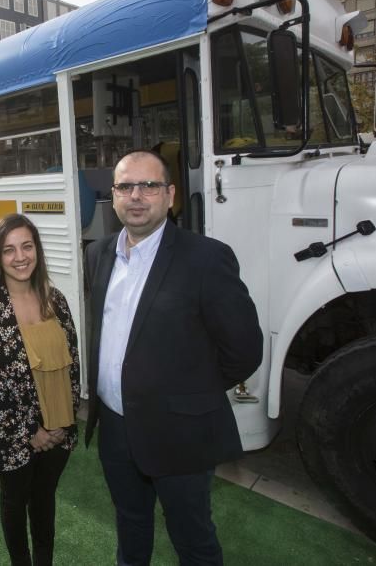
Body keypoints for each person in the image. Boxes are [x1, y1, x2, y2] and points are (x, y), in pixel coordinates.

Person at [84, 150, 262, 566]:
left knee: (193, 539)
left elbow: (244, 348)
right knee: (130, 526)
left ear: (170, 195)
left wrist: (187, 396)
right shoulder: (100, 254)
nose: (137, 196)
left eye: (149, 185)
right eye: (126, 186)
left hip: (180, 432)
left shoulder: (205, 258)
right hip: (115, 427)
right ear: (114, 195)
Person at [0, 213, 81, 566]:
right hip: (15, 437)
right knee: (15, 502)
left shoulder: (56, 300)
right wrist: (31, 432)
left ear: (37, 250)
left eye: (27, 246)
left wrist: (63, 421)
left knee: (45, 498)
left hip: (59, 432)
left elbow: (72, 364)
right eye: (9, 250)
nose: (20, 257)